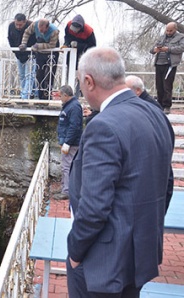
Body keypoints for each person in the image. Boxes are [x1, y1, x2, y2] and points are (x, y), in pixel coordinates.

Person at [67, 47, 174, 297]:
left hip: (102, 263)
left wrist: (75, 252)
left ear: (89, 81)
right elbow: (166, 185)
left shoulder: (103, 126)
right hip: (138, 255)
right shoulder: (156, 115)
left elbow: (94, 207)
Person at [19, 18, 60, 100]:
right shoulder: (34, 25)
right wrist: (24, 43)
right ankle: (40, 96)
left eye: (43, 30)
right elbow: (27, 32)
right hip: (40, 53)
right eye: (39, 30)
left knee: (49, 75)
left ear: (47, 27)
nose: (41, 32)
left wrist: (38, 46)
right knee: (39, 74)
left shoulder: (54, 31)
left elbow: (52, 45)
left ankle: (47, 96)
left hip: (52, 53)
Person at [54, 85, 82, 200]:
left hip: (72, 143)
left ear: (66, 95)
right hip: (69, 141)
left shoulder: (74, 107)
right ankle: (65, 187)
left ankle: (67, 191)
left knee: (67, 166)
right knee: (67, 166)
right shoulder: (69, 106)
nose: (60, 98)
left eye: (60, 96)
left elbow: (74, 126)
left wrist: (67, 142)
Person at [150, 22, 184, 114]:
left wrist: (168, 49)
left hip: (170, 65)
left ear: (175, 29)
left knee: (167, 86)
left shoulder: (181, 37)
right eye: (167, 30)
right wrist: (155, 50)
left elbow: (181, 48)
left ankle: (167, 106)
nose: (168, 32)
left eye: (170, 30)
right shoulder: (162, 37)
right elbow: (152, 49)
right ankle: (159, 104)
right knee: (159, 86)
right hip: (158, 63)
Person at [61, 14, 96, 96]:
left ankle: (80, 92)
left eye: (76, 30)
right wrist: (66, 44)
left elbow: (92, 46)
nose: (74, 31)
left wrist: (79, 45)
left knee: (81, 74)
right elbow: (67, 36)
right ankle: (69, 90)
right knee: (70, 72)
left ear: (81, 28)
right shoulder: (69, 25)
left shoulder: (89, 32)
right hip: (71, 54)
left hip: (82, 55)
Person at [7, 13, 37, 99]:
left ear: (25, 22)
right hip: (19, 55)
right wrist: (14, 50)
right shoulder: (11, 26)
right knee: (22, 75)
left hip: (31, 55)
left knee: (29, 75)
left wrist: (30, 48)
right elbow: (10, 38)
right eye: (17, 24)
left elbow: (36, 40)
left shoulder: (31, 26)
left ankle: (25, 96)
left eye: (20, 25)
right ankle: (29, 93)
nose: (18, 26)